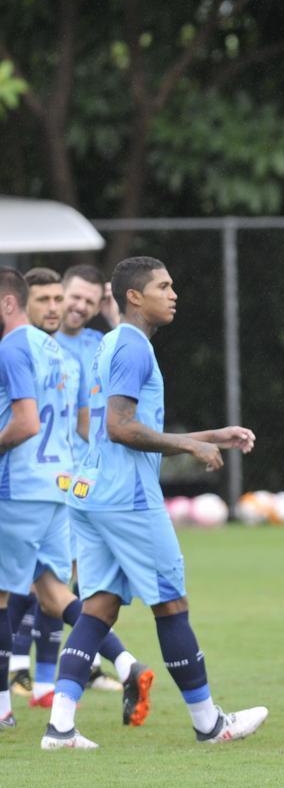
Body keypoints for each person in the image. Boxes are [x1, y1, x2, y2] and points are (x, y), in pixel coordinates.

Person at [43, 257, 266, 749]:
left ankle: (60, 727)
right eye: (163, 286)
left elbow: (126, 422)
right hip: (128, 500)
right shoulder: (133, 347)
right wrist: (189, 446)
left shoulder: (112, 344)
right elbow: (120, 427)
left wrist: (210, 435)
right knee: (171, 603)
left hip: (93, 494)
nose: (174, 293)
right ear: (133, 297)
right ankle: (210, 724)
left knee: (98, 608)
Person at [0, 268, 150, 734]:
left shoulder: (13, 347)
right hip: (58, 487)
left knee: (3, 596)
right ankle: (124, 662)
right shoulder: (62, 356)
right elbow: (83, 424)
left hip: (20, 486)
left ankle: (2, 706)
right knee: (53, 593)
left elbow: (25, 423)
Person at [8, 265, 122, 695]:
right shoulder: (51, 351)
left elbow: (76, 422)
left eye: (86, 301)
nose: (70, 306)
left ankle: (29, 681)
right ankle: (39, 677)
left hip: (45, 478)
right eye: (62, 297)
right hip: (53, 480)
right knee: (45, 583)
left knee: (35, 580)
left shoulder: (84, 348)